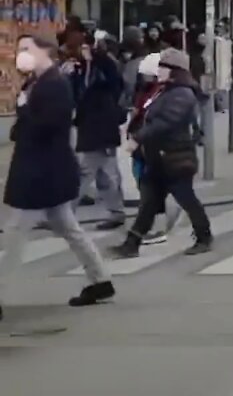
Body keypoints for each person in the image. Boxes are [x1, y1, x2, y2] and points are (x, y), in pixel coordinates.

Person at [1, 35, 116, 320]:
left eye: (27, 49)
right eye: (20, 49)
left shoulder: (55, 84)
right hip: (43, 170)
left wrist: (25, 111)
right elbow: (24, 127)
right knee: (69, 228)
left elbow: (47, 125)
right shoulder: (37, 83)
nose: (21, 54)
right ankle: (100, 281)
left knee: (14, 235)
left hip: (41, 173)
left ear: (46, 52)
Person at [110, 48, 213, 259]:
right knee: (148, 202)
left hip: (175, 156)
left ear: (176, 71)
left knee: (186, 198)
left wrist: (138, 137)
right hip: (159, 157)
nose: (158, 71)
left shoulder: (181, 94)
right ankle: (132, 243)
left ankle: (204, 237)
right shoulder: (166, 90)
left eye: (163, 67)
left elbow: (165, 122)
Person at [70, 31, 127, 229]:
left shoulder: (104, 66)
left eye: (87, 47)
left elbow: (115, 84)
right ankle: (117, 212)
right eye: (82, 48)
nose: (84, 51)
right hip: (91, 126)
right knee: (104, 174)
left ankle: (65, 215)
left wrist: (98, 54)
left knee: (86, 172)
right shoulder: (81, 69)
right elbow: (77, 94)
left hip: (102, 127)